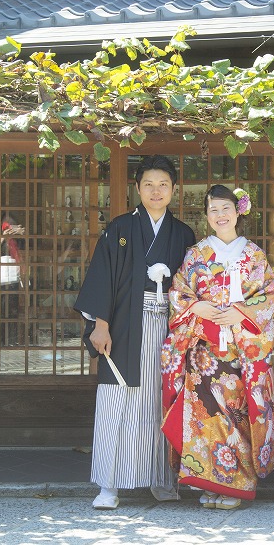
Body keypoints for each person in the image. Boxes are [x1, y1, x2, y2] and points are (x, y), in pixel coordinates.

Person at [74, 155, 196, 510]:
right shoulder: (120, 228)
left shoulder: (183, 234)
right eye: (149, 185)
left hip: (169, 329)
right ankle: (109, 485)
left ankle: (162, 479)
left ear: (174, 189)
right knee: (117, 401)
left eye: (163, 185)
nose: (156, 191)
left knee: (162, 400)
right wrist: (100, 324)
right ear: (137, 188)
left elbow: (194, 286)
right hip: (124, 326)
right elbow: (102, 276)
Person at [161, 184, 274, 510]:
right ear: (207, 215)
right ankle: (212, 481)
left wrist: (241, 313)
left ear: (238, 212)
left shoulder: (253, 254)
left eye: (226, 208)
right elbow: (179, 291)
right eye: (213, 210)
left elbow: (269, 293)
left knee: (237, 414)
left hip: (241, 351)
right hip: (204, 351)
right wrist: (195, 306)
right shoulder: (197, 254)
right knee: (206, 416)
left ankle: (237, 484)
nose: (220, 215)